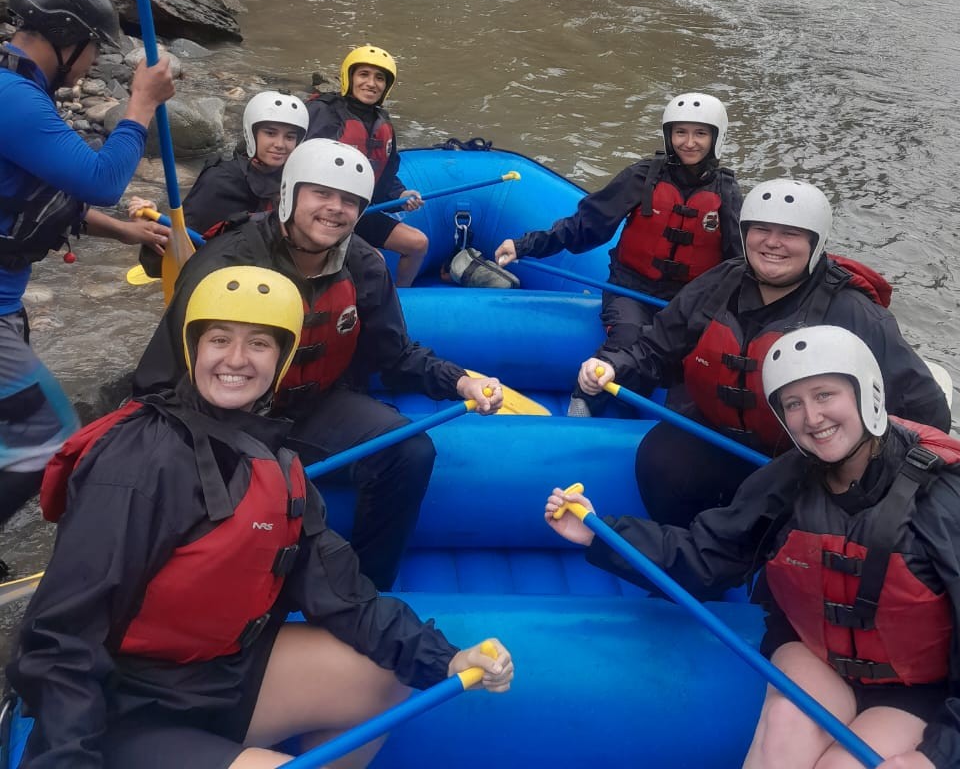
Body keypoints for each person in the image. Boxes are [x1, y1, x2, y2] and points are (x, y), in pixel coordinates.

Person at [9, 265, 512, 769]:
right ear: (192, 350)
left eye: (259, 345)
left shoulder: (281, 465)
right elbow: (61, 638)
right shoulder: (137, 460)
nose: (235, 359)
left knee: (384, 677)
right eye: (219, 339)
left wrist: (444, 657)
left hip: (216, 679)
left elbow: (347, 599)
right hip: (123, 707)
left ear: (282, 358)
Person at [546, 326, 960, 769]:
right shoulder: (789, 478)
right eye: (793, 404)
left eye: (825, 395)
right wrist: (602, 534)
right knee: (784, 727)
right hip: (812, 650)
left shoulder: (942, 498)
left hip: (914, 687)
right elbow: (708, 555)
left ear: (866, 392)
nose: (812, 418)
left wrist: (937, 757)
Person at [132, 139, 503, 590]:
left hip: (315, 406)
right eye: (321, 194)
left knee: (409, 452)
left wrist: (460, 381)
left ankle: (367, 586)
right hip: (224, 415)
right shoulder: (226, 263)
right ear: (289, 195)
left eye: (349, 200)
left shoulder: (364, 265)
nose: (335, 209)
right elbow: (161, 376)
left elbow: (395, 354)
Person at [575, 178, 951, 528]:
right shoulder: (720, 283)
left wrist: (870, 466)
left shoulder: (852, 311)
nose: (773, 243)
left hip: (807, 451)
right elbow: (656, 348)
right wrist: (613, 364)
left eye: (790, 234)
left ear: (815, 243)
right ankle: (689, 555)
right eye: (762, 230)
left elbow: (922, 406)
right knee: (661, 459)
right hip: (722, 430)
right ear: (745, 234)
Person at [0, 0, 174, 532]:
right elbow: (101, 180)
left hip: (8, 302)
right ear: (65, 38)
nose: (92, 63)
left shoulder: (13, 91)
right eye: (92, 49)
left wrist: (124, 232)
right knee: (45, 440)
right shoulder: (15, 101)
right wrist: (140, 107)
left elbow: (43, 200)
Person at [495, 92, 742, 415]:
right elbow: (587, 225)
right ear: (669, 136)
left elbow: (740, 262)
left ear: (715, 138)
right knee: (627, 338)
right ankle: (583, 399)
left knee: (695, 369)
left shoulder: (726, 192)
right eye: (681, 132)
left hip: (690, 302)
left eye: (700, 134)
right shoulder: (643, 177)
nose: (689, 143)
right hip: (632, 289)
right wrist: (525, 245)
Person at [131, 91, 310, 277]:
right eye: (270, 133)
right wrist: (153, 225)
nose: (280, 144)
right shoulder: (221, 182)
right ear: (252, 134)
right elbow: (175, 249)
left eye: (290, 137)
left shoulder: (297, 182)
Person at [305, 45, 428, 286]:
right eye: (364, 75)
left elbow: (387, 174)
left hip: (360, 213)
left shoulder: (383, 124)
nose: (371, 83)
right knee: (375, 259)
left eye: (379, 78)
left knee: (418, 244)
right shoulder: (322, 112)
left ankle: (401, 298)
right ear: (349, 78)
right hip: (325, 214)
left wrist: (401, 194)